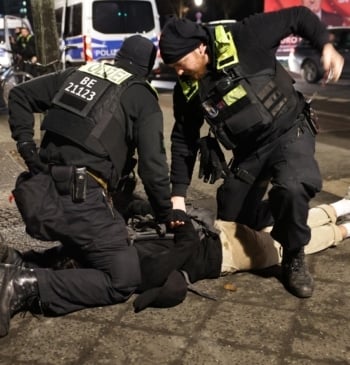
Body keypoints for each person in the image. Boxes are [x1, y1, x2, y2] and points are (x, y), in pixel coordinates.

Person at [0, 35, 185, 338]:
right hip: (81, 199)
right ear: (148, 68)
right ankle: (22, 285)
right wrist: (167, 214)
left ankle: (19, 261)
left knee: (88, 251)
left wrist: (26, 145)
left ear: (118, 58)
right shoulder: (142, 95)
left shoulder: (80, 74)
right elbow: (153, 169)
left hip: (42, 194)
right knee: (122, 278)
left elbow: (19, 95)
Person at [158, 6, 345, 299]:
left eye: (180, 63)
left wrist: (326, 46)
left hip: (289, 131)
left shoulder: (245, 35)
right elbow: (183, 140)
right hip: (250, 152)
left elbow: (298, 16)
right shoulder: (188, 87)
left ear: (201, 48)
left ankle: (294, 254)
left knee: (293, 187)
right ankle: (283, 210)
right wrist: (178, 197)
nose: (178, 72)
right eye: (172, 68)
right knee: (233, 222)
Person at [1, 192, 350, 313]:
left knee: (291, 242)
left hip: (227, 252)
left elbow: (174, 281)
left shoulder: (131, 270)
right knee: (287, 231)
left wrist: (146, 298)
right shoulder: (121, 247)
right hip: (220, 234)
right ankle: (342, 207)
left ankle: (343, 225)